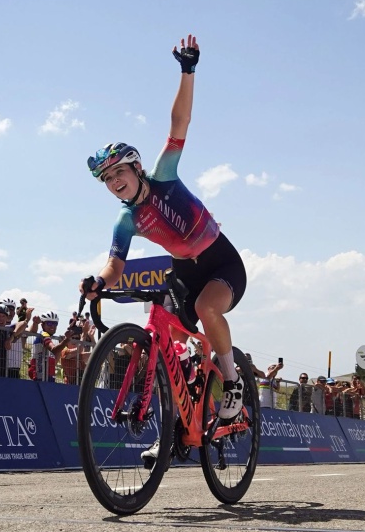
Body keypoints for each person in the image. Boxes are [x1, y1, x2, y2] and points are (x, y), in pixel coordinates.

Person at [80, 34, 248, 422]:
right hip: (185, 272)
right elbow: (115, 266)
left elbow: (179, 123)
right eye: (106, 179)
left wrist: (188, 70)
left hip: (221, 262)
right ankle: (177, 425)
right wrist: (99, 284)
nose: (114, 181)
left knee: (207, 308)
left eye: (118, 171)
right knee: (167, 340)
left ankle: (232, 377)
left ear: (136, 168)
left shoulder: (163, 176)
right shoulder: (127, 220)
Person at [29, 312, 69, 382]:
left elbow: (55, 362)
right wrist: (65, 341)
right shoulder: (43, 335)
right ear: (42, 325)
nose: (52, 326)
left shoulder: (49, 338)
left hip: (48, 376)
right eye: (49, 323)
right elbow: (53, 350)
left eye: (55, 324)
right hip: (40, 377)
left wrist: (61, 344)